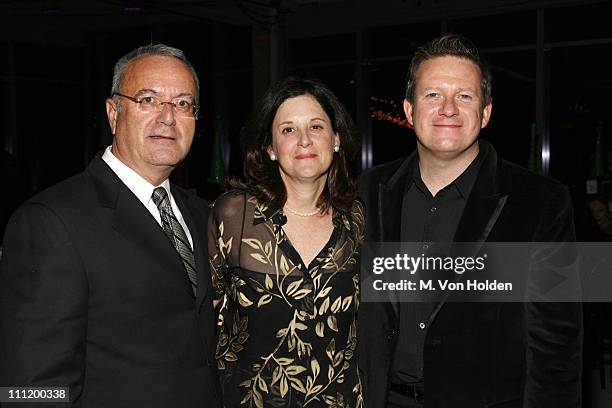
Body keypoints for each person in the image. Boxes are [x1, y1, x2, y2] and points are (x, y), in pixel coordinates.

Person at [358, 34, 582, 407]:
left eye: (464, 95)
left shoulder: (540, 202)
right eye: (432, 95)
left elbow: (556, 346)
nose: (448, 108)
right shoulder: (367, 192)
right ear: (410, 111)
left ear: (486, 112)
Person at [0, 44, 221, 407]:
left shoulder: (201, 214)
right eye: (148, 99)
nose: (168, 117)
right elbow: (29, 389)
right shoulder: (51, 221)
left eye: (183, 104)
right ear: (113, 112)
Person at [208, 76, 364, 407]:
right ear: (270, 149)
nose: (304, 140)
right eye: (288, 130)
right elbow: (204, 320)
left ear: (336, 139)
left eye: (317, 127)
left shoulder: (360, 220)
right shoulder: (234, 216)